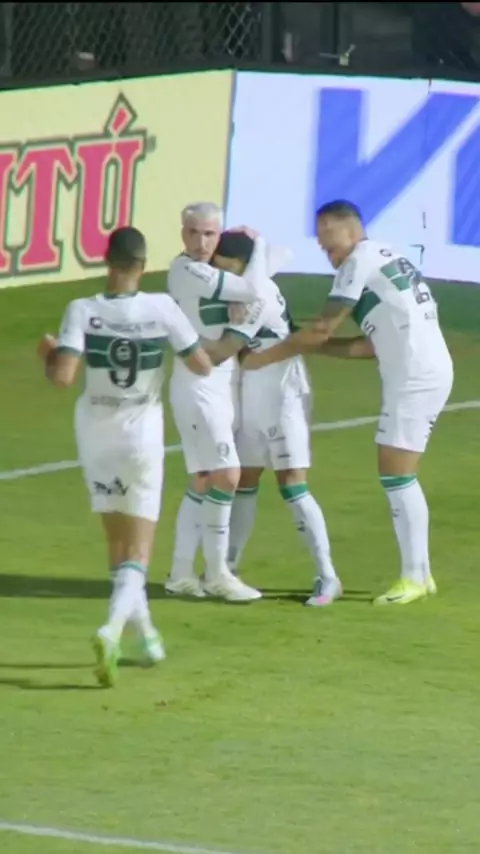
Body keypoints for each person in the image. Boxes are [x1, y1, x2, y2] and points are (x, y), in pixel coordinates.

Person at [242, 201, 454, 605]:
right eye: (321, 243)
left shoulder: (358, 260)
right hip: (423, 368)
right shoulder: (387, 258)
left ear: (350, 228)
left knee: (397, 474)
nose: (326, 249)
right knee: (397, 472)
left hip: (415, 375)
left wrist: (264, 357)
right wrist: (311, 347)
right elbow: (368, 346)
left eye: (329, 237)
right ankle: (421, 574)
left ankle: (414, 576)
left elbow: (322, 327)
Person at [36, 226, 212, 687]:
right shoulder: (162, 307)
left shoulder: (82, 310)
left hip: (95, 433)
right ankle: (111, 631)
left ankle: (148, 636)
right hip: (141, 435)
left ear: (106, 261)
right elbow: (201, 364)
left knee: (116, 541)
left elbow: (62, 378)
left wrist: (49, 354)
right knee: (138, 549)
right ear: (142, 265)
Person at [202, 230, 342, 606]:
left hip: (283, 392)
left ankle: (327, 576)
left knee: (292, 482)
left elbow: (236, 348)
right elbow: (276, 252)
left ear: (240, 264)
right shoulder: (251, 281)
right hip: (252, 391)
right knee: (245, 477)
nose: (220, 273)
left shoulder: (258, 293)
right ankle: (228, 567)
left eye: (224, 266)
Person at [165, 202, 276, 603]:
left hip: (219, 383)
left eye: (210, 234)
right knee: (228, 475)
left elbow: (262, 273)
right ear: (183, 234)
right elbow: (253, 289)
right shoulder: (186, 270)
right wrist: (257, 248)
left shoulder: (214, 271)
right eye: (193, 233)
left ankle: (180, 573)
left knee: (202, 479)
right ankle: (217, 574)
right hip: (197, 385)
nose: (201, 242)